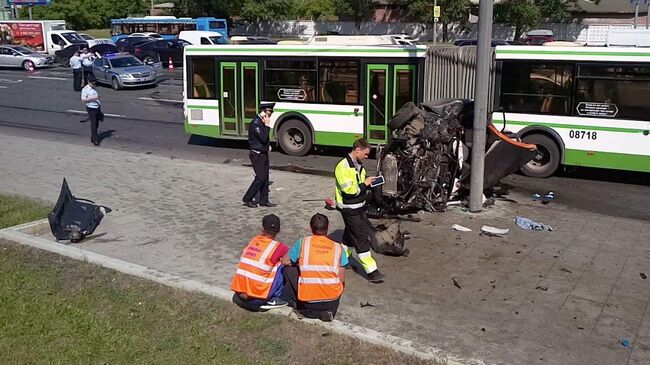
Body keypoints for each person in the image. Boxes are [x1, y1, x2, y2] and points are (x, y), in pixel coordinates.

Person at [334, 138, 384, 283]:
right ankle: (372, 271)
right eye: (366, 154)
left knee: (350, 235)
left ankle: (342, 260)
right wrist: (364, 184)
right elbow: (349, 191)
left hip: (358, 207)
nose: (366, 157)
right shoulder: (343, 167)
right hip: (350, 209)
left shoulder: (358, 165)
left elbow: (358, 186)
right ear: (357, 150)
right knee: (361, 239)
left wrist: (368, 184)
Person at [282, 213, 347, 321]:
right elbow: (342, 279)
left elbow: (285, 261)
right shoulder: (338, 247)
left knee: (288, 270)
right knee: (338, 282)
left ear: (310, 227)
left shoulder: (303, 242)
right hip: (332, 299)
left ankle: (299, 306)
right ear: (328, 227)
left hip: (308, 299)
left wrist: (300, 265)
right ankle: (328, 310)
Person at [230, 214, 290, 311]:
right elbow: (290, 259)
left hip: (239, 292)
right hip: (256, 298)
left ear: (262, 228)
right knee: (282, 265)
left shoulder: (254, 240)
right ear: (278, 230)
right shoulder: (278, 247)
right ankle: (275, 297)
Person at [242, 102, 276, 208]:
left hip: (263, 153)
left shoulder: (261, 121)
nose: (271, 114)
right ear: (264, 111)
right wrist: (266, 125)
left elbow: (264, 141)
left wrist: (267, 146)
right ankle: (247, 198)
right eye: (269, 112)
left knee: (265, 177)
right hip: (256, 154)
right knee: (260, 177)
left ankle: (264, 201)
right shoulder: (256, 123)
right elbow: (263, 137)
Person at [81, 77, 102, 146]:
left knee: (96, 124)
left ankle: (93, 137)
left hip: (97, 107)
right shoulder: (85, 89)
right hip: (91, 108)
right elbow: (83, 100)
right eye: (92, 83)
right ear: (89, 82)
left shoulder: (93, 88)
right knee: (93, 124)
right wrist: (94, 98)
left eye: (94, 83)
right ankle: (95, 140)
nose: (93, 85)